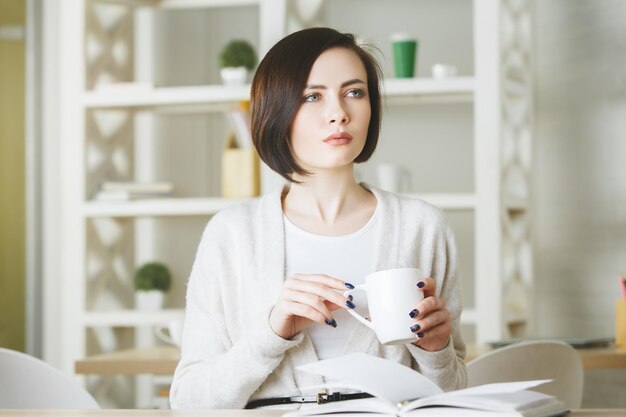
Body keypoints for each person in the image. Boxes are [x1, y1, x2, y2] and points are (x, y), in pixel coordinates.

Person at [169, 27, 466, 410]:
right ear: (277, 111)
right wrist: (272, 331)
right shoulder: (232, 234)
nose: (339, 113)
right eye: (312, 96)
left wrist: (437, 351)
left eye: (354, 92)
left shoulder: (422, 226)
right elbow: (189, 402)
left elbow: (456, 396)